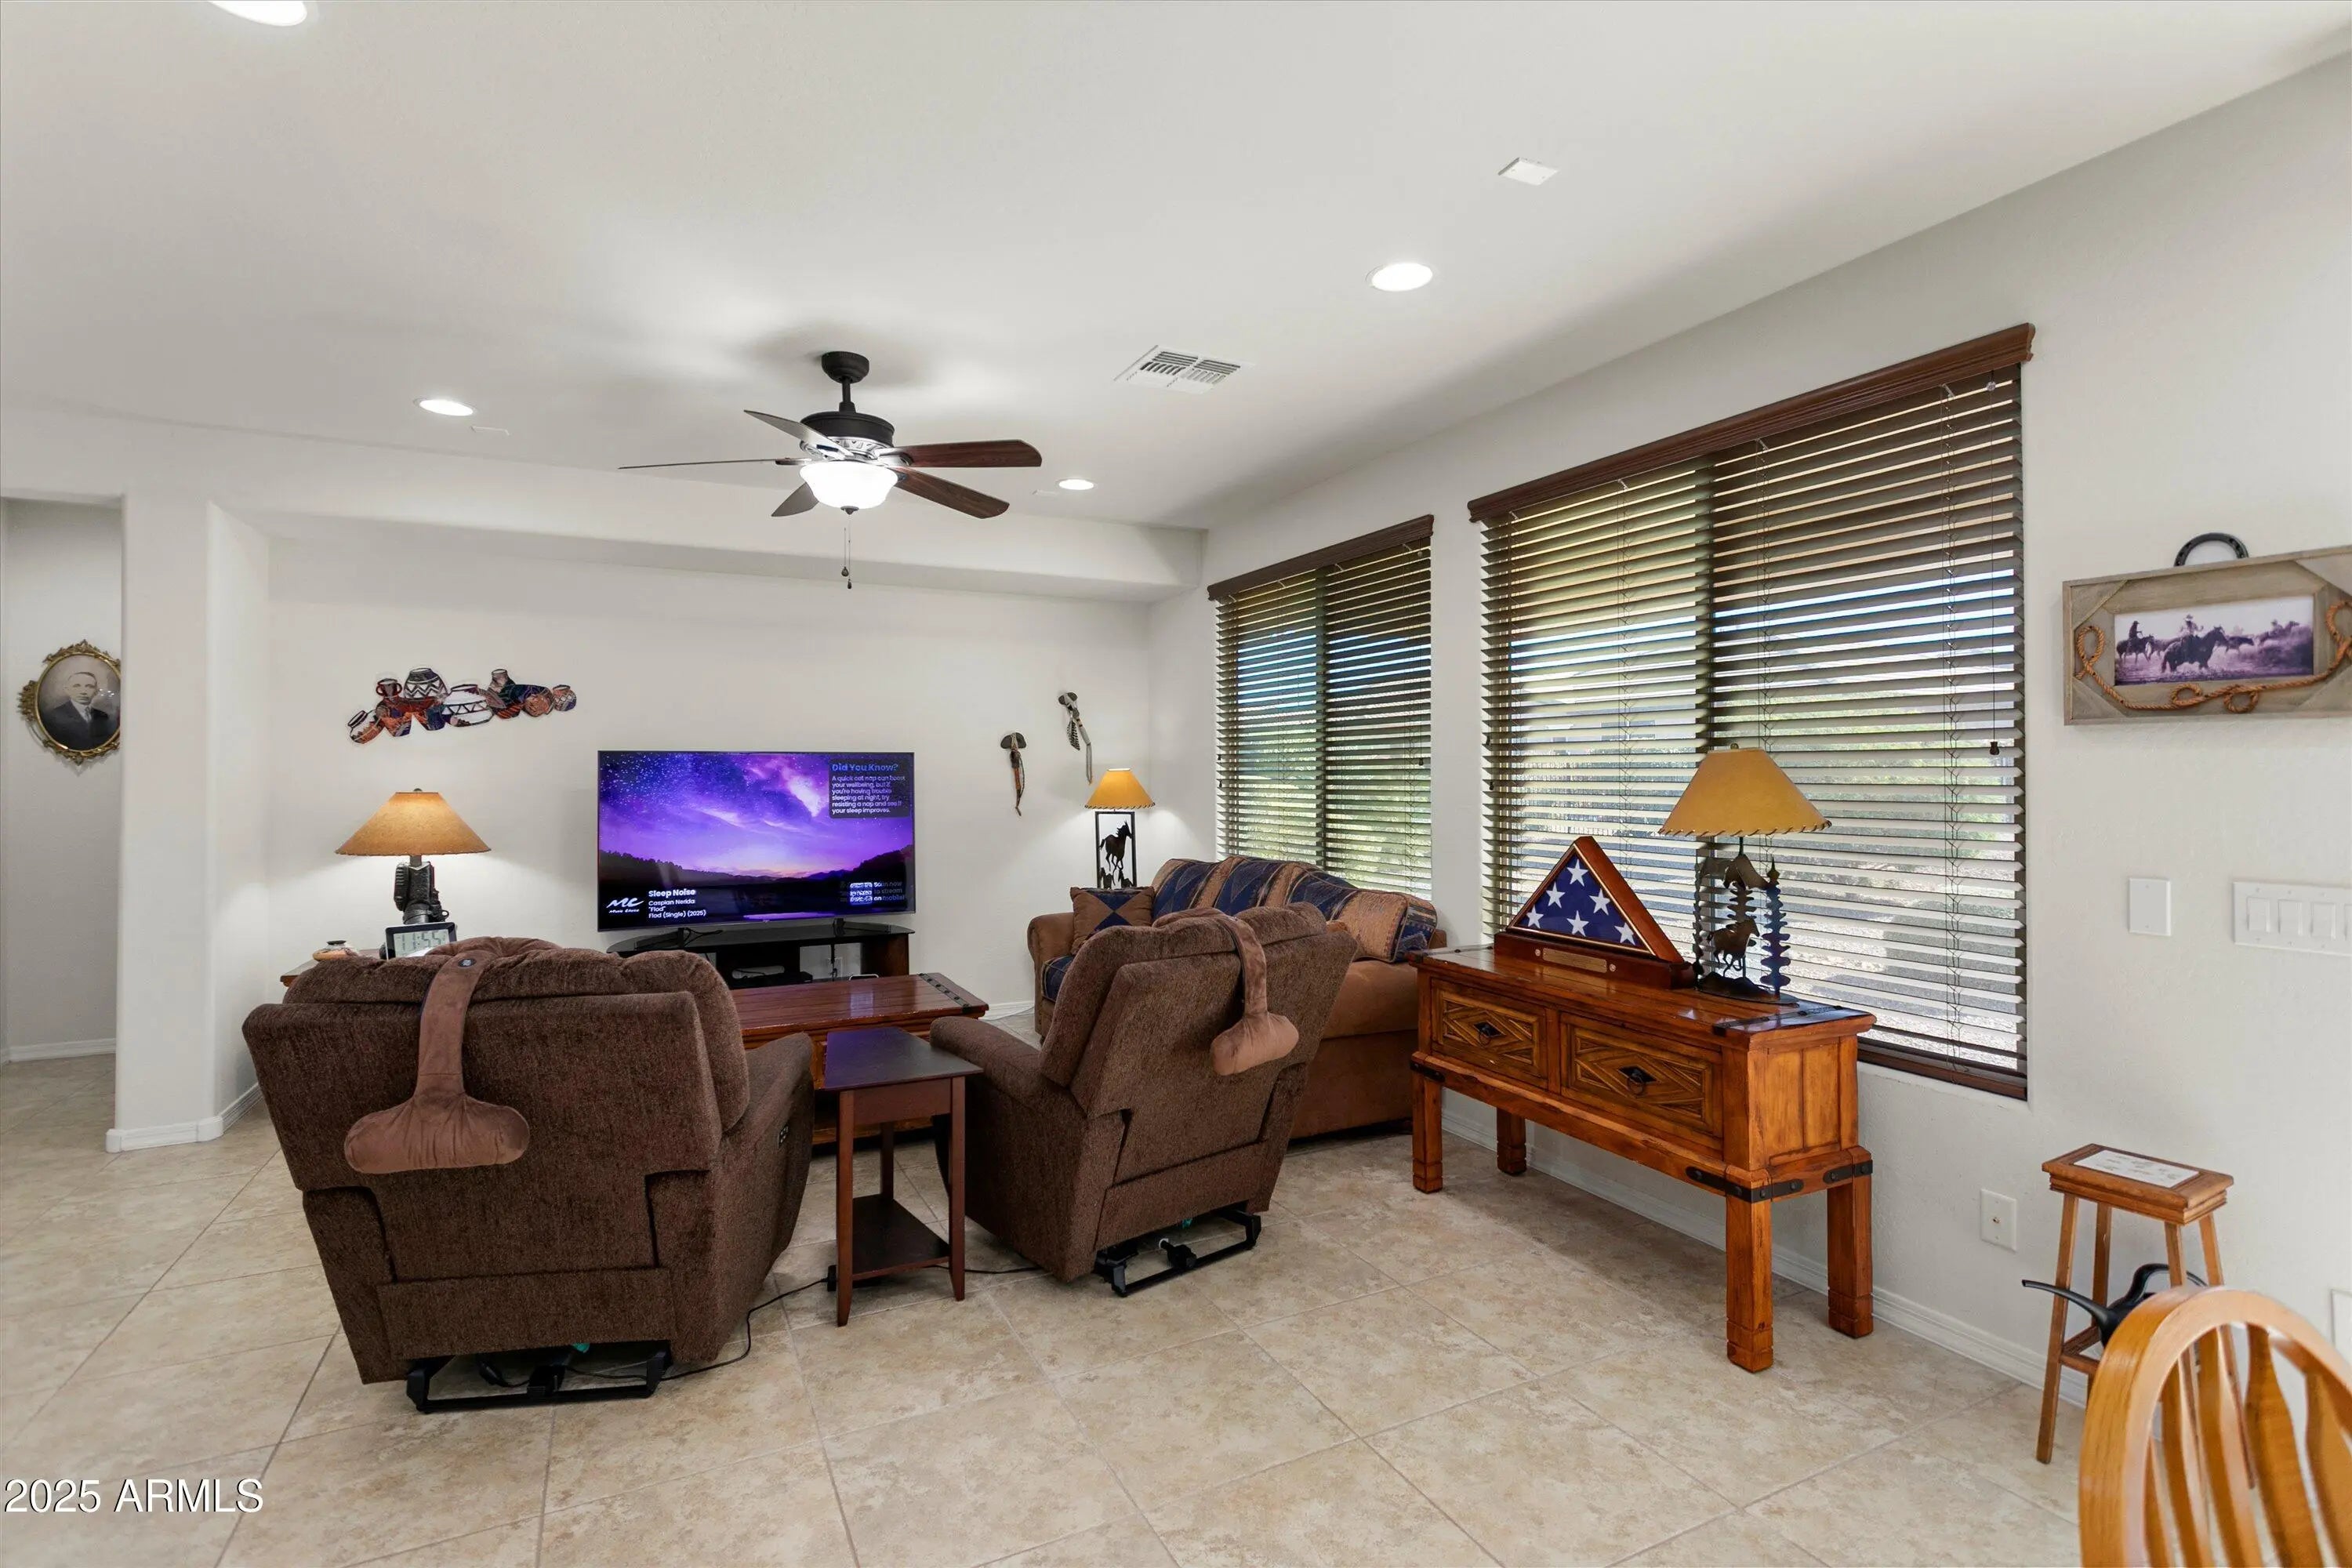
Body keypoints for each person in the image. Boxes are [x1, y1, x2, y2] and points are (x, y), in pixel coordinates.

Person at [41, 667, 117, 750]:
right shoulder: (54, 716)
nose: (83, 692)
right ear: (67, 690)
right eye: (77, 686)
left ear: (96, 691)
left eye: (89, 686)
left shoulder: (103, 716)